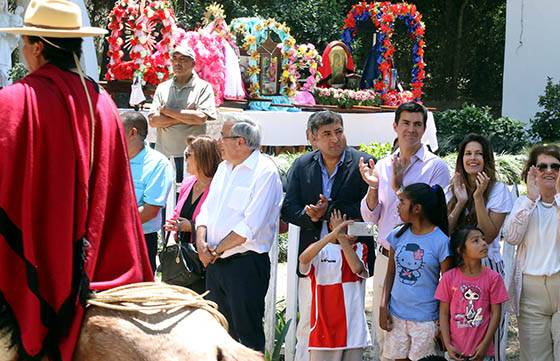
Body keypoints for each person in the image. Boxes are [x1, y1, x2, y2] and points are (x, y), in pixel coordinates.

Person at [0, 1, 153, 359]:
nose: (22, 50)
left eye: (23, 42)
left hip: (35, 259)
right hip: (99, 259)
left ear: (37, 46)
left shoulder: (14, 99)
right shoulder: (102, 102)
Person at [359, 101, 450, 360]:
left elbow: (432, 216)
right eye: (406, 123)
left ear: (424, 129)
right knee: (385, 334)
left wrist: (399, 188)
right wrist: (374, 187)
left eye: (417, 124)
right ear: (395, 126)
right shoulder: (382, 165)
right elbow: (371, 217)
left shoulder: (435, 167)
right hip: (387, 258)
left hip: (424, 266)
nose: (411, 129)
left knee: (421, 341)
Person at [281, 110, 374, 361]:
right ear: (312, 138)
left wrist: (329, 211)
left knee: (350, 318)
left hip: (351, 257)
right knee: (309, 322)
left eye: (339, 132)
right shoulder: (302, 165)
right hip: (313, 256)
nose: (335, 139)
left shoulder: (363, 162)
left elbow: (373, 208)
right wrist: (310, 215)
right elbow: (288, 208)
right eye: (326, 134)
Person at [195, 114, 283, 352]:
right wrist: (201, 244)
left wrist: (214, 249)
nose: (218, 142)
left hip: (245, 266)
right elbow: (206, 211)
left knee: (246, 337)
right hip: (215, 264)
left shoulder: (265, 172)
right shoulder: (224, 168)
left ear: (241, 141)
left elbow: (248, 228)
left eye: (222, 137)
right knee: (218, 334)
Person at [446, 134, 513, 360]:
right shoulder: (453, 188)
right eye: (467, 153)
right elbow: (444, 231)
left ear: (487, 159)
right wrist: (462, 201)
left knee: (489, 335)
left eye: (478, 154)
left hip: (489, 268)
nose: (472, 158)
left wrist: (477, 199)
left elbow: (490, 235)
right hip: (458, 270)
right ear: (461, 158)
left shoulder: (498, 190)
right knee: (461, 330)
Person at [379, 183, 452, 361]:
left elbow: (448, 285)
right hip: (396, 316)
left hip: (426, 320)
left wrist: (443, 323)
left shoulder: (441, 241)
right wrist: (383, 305)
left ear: (417, 208)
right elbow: (390, 274)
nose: (398, 206)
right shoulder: (397, 235)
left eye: (402, 202)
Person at [502, 144, 560, 361]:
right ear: (532, 171)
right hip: (531, 292)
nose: (549, 170)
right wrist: (529, 199)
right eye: (542, 166)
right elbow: (511, 237)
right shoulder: (523, 204)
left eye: (555, 166)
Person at [299, 210, 371, 361]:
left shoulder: (360, 248)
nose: (351, 229)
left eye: (355, 225)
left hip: (353, 332)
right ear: (331, 225)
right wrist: (333, 235)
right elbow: (303, 259)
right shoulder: (320, 250)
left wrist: (341, 238)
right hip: (323, 332)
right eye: (345, 225)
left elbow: (357, 269)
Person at [436, 226, 509, 361]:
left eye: (483, 239)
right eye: (476, 241)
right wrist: (447, 344)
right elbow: (444, 313)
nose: (483, 243)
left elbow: (496, 314)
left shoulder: (494, 278)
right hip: (456, 353)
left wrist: (485, 345)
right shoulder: (448, 278)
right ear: (460, 250)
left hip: (483, 353)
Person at [148, 43, 217, 184]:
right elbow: (153, 121)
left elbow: (200, 118)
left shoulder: (203, 87)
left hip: (193, 155)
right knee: (165, 197)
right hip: (164, 154)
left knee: (187, 195)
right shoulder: (163, 88)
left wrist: (167, 112)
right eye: (175, 59)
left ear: (193, 63)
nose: (178, 63)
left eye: (183, 59)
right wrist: (187, 117)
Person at [163, 135, 221, 294]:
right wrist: (174, 224)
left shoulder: (219, 185)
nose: (185, 158)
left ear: (203, 157)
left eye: (189, 155)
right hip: (186, 260)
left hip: (209, 259)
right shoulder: (188, 183)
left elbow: (220, 220)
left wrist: (192, 226)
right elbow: (178, 211)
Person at [121, 111, 173, 274]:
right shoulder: (113, 156)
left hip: (140, 239)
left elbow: (151, 210)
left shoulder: (157, 164)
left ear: (132, 132)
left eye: (117, 130)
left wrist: (116, 224)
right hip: (109, 236)